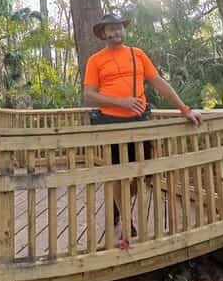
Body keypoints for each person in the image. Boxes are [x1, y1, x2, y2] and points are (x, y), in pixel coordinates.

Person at [83, 12, 201, 230]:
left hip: (140, 122)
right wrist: (121, 102)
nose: (116, 31)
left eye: (119, 27)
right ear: (103, 33)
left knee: (143, 172)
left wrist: (185, 109)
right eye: (111, 28)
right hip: (111, 122)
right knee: (119, 174)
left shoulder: (137, 54)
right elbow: (89, 94)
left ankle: (118, 205)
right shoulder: (95, 60)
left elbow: (158, 82)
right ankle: (127, 221)